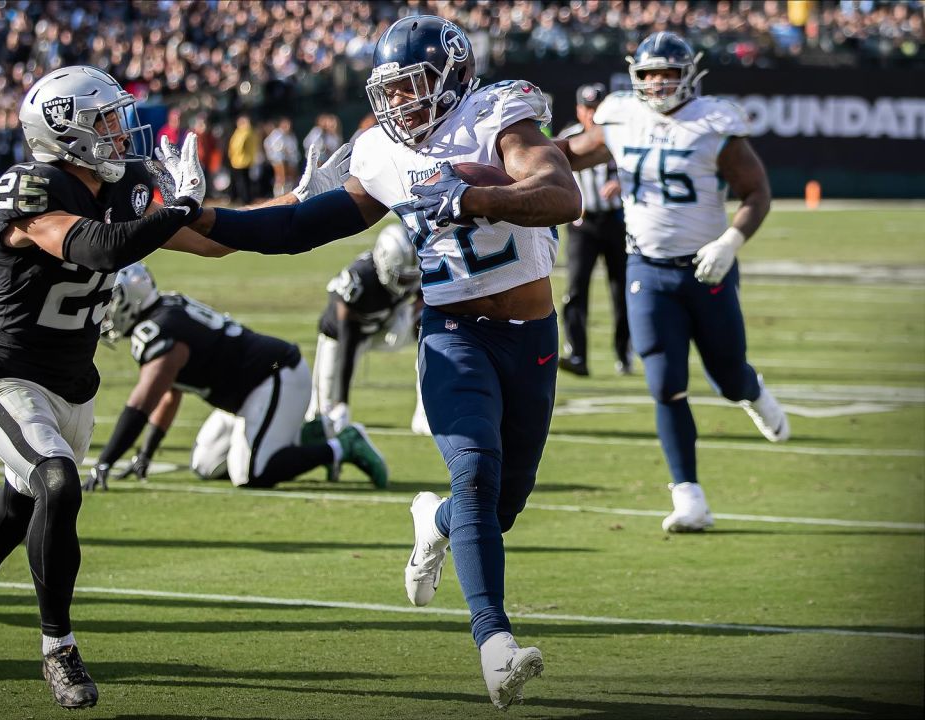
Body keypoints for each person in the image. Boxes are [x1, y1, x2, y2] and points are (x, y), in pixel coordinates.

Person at [182, 15, 582, 709]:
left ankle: (433, 523)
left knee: (500, 503)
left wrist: (476, 194)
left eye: (413, 87)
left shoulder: (499, 118)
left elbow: (562, 196)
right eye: (390, 92)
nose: (400, 105)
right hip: (452, 332)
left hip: (532, 337)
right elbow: (298, 227)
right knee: (477, 473)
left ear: (455, 75)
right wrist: (198, 218)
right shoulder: (382, 153)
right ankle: (496, 645)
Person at [0, 64, 346, 711]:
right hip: (4, 377)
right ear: (64, 129)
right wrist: (172, 208)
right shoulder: (29, 184)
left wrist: (299, 203)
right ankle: (59, 650)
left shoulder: (124, 185)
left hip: (73, 384)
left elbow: (214, 239)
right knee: (57, 481)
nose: (120, 132)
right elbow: (95, 248)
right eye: (103, 120)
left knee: (21, 500)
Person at [557, 32, 790, 533]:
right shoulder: (620, 117)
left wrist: (729, 242)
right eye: (648, 73)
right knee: (664, 384)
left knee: (727, 377)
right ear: (634, 77)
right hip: (647, 267)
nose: (658, 83)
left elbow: (757, 191)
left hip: (708, 267)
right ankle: (689, 495)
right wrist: (512, 146)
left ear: (690, 74)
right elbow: (570, 155)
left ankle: (752, 392)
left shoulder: (712, 122)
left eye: (668, 72)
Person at [87, 263, 388, 491]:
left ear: (132, 298)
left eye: (112, 299)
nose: (107, 309)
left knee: (252, 473)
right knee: (204, 465)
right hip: (246, 391)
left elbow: (141, 402)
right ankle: (310, 434)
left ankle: (342, 445)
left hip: (274, 375)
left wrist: (104, 462)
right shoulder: (165, 312)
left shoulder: (158, 331)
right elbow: (168, 392)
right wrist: (145, 455)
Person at [305, 224, 428, 438]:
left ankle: (424, 415)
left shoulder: (410, 267)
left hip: (384, 326)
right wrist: (342, 401)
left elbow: (421, 299)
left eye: (411, 279)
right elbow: (347, 340)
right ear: (384, 262)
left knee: (429, 326)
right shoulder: (360, 281)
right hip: (342, 337)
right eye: (402, 279)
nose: (406, 286)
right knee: (323, 412)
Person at [556, 83, 631, 377]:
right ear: (578, 110)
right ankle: (577, 354)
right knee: (575, 290)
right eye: (587, 108)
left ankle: (624, 353)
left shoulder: (621, 136)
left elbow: (642, 168)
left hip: (616, 221)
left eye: (597, 108)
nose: (592, 114)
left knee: (621, 290)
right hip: (582, 225)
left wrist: (623, 184)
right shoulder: (568, 138)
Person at [264, 117, 300, 197]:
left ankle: (287, 194)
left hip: (289, 160)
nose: (288, 126)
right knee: (281, 178)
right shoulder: (277, 134)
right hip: (279, 160)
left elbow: (293, 149)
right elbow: (270, 145)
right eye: (286, 124)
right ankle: (278, 195)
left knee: (290, 179)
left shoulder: (291, 135)